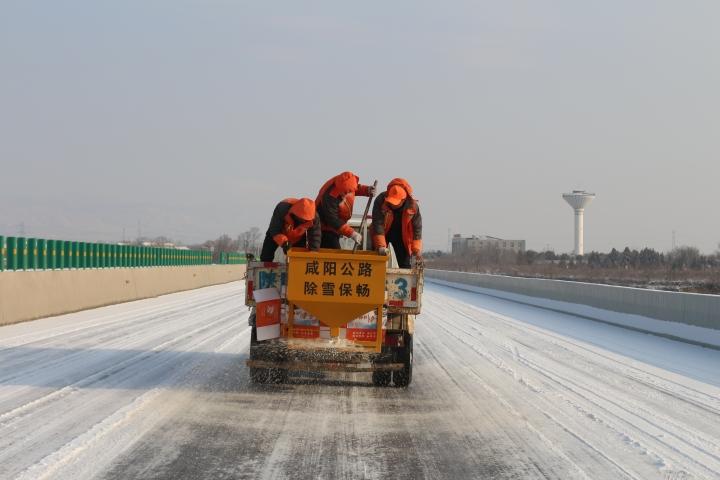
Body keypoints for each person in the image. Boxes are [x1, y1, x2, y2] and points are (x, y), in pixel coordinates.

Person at [315, 171, 375, 249]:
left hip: (337, 226)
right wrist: (352, 233)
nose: (344, 195)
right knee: (333, 250)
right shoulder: (329, 196)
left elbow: (355, 189)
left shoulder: (348, 182)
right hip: (324, 227)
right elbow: (333, 220)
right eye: (342, 193)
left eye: (347, 192)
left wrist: (367, 190)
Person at [371, 178, 422, 268]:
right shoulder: (381, 200)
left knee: (404, 265)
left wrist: (416, 250)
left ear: (403, 200)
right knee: (379, 264)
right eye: (391, 202)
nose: (393, 205)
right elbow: (378, 224)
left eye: (396, 202)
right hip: (383, 234)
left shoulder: (412, 206)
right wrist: (381, 246)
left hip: (403, 238)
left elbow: (417, 229)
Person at [259, 198, 321, 262]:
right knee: (266, 256)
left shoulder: (314, 217)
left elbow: (315, 236)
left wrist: (313, 252)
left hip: (298, 237)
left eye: (306, 219)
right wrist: (285, 243)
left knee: (298, 260)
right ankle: (264, 268)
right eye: (302, 218)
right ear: (296, 213)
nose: (304, 220)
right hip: (278, 234)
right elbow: (275, 229)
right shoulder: (282, 208)